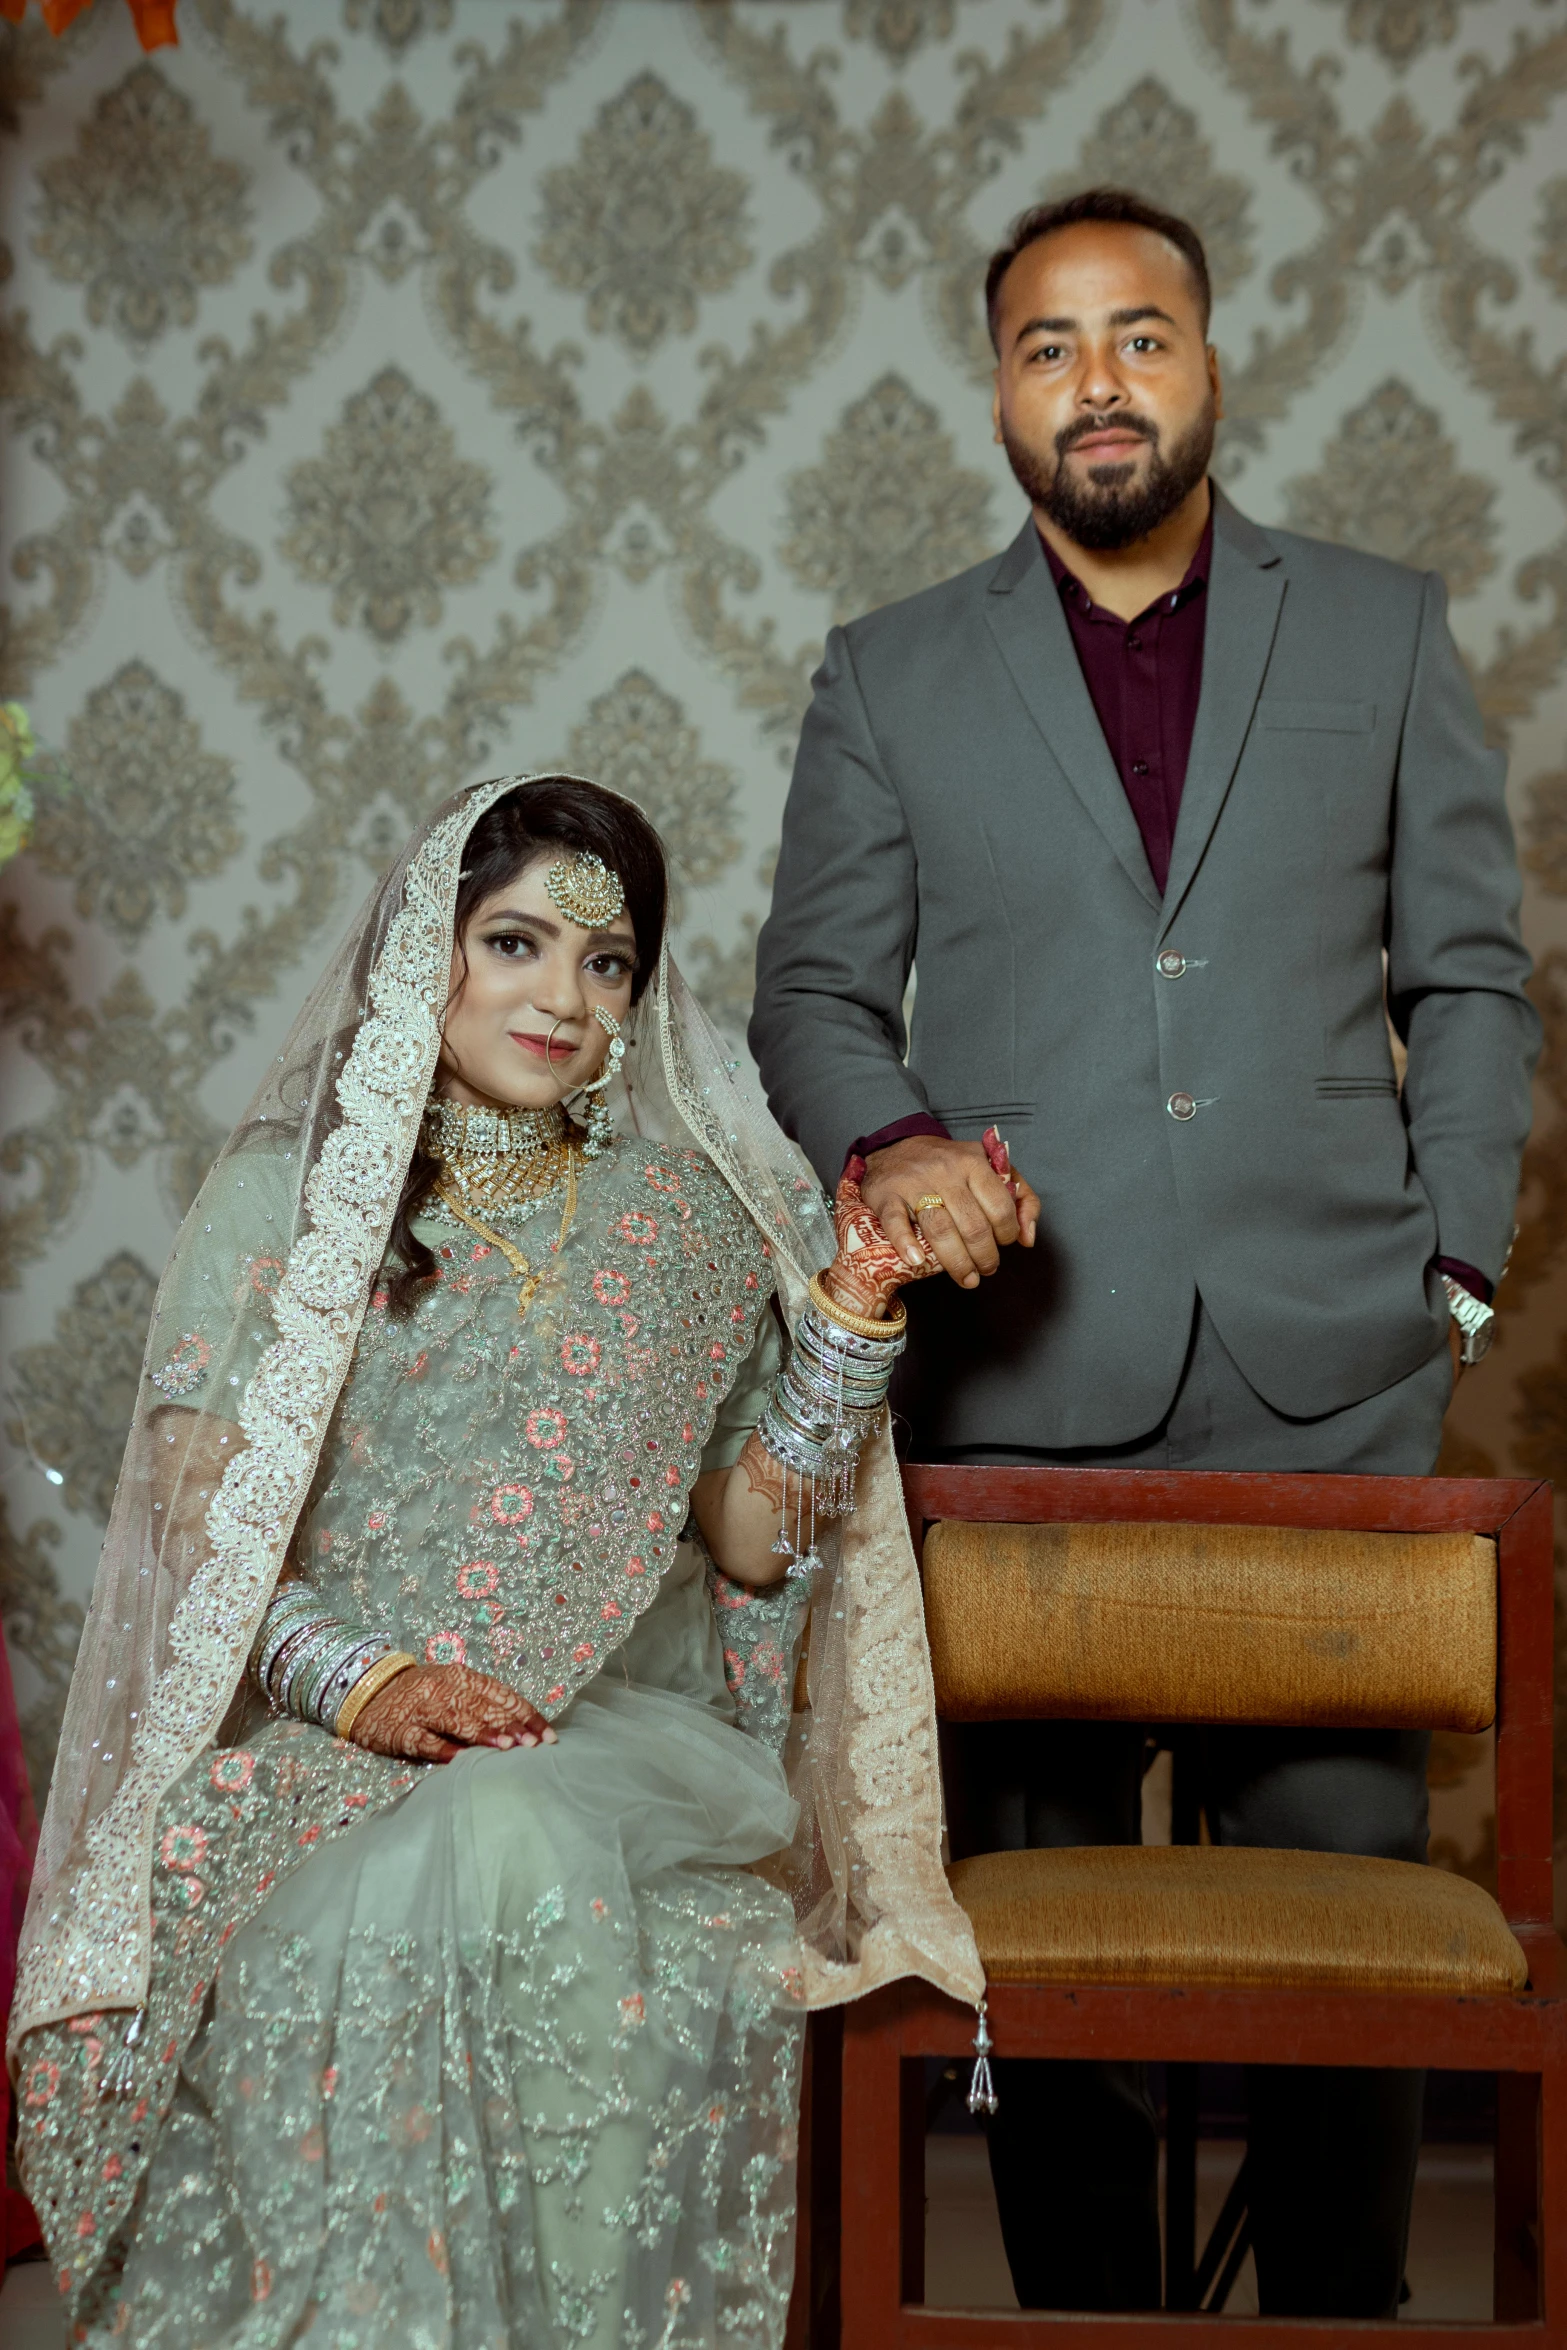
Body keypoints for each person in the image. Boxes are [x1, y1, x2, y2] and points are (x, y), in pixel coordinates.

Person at [750, 187, 1539, 2319]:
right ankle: (1093, 2318)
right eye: (1046, 343)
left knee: (1339, 1925)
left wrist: (1453, 1266)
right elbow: (813, 994)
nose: (1096, 378)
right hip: (1019, 1396)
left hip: (1334, 1377)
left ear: (1204, 359)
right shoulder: (893, 672)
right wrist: (901, 1143)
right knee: (1034, 1948)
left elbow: (1472, 974)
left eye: (1139, 335)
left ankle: (1339, 2314)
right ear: (999, 388)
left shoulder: (1378, 629)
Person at [8, 775, 983, 2349]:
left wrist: (848, 1326)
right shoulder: (289, 1203)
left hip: (605, 1727)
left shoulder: (687, 1220)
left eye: (606, 964)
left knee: (513, 1815)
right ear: (426, 955)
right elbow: (203, 1538)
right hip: (336, 1731)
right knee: (432, 1851)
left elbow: (746, 1540)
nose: (561, 994)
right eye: (517, 940)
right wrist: (371, 1680)